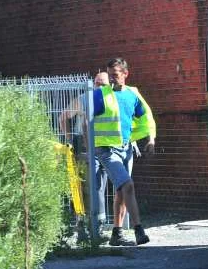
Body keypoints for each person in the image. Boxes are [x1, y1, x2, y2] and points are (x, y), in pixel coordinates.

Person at [92, 57, 156, 246]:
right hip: (106, 150)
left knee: (121, 191)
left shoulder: (132, 94)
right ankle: (139, 230)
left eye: (116, 75)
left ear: (126, 74)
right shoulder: (100, 95)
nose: (112, 79)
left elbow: (145, 118)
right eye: (110, 75)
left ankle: (116, 234)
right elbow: (82, 115)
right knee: (128, 185)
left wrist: (150, 140)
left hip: (126, 148)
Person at [59, 71, 111, 234]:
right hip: (83, 144)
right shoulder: (83, 99)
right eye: (97, 83)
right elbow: (63, 117)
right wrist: (69, 140)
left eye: (103, 84)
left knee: (99, 186)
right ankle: (82, 223)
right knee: (84, 185)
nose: (99, 86)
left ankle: (97, 223)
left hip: (105, 145)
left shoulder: (112, 100)